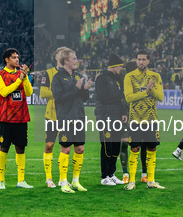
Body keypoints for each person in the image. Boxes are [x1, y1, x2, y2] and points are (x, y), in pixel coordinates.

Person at [51, 47, 93, 194]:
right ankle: (63, 182)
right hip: (66, 117)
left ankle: (75, 181)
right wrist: (76, 88)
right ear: (66, 61)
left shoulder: (78, 76)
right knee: (66, 149)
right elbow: (59, 97)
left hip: (79, 116)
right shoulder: (57, 78)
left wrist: (85, 89)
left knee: (80, 149)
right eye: (74, 58)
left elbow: (83, 98)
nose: (77, 61)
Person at [123, 51, 165, 190]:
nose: (141, 62)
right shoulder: (129, 76)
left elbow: (160, 97)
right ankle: (132, 181)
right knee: (134, 148)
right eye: (139, 59)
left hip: (151, 119)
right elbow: (128, 97)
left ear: (148, 61)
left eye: (144, 60)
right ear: (136, 61)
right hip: (135, 119)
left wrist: (151, 90)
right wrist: (145, 92)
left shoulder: (155, 76)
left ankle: (151, 180)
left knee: (151, 148)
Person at [0, 48, 33, 189]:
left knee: (21, 149)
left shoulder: (21, 74)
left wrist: (25, 77)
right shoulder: (0, 75)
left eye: (18, 57)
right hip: (6, 118)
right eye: (14, 57)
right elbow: (4, 92)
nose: (17, 59)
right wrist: (19, 80)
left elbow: (29, 93)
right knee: (4, 147)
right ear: (7, 59)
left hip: (22, 117)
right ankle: (1, 181)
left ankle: (21, 180)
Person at [94, 52, 127, 186]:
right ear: (114, 66)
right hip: (105, 116)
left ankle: (112, 174)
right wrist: (120, 94)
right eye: (120, 67)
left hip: (116, 116)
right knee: (107, 146)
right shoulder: (101, 78)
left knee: (115, 147)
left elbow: (120, 98)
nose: (121, 69)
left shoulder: (116, 79)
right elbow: (104, 97)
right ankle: (104, 176)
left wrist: (123, 112)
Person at [39, 47, 65, 188]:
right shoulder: (48, 73)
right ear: (56, 57)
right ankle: (49, 178)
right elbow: (43, 93)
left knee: (65, 147)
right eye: (60, 54)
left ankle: (62, 178)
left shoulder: (72, 73)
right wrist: (62, 92)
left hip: (67, 116)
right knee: (49, 145)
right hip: (52, 115)